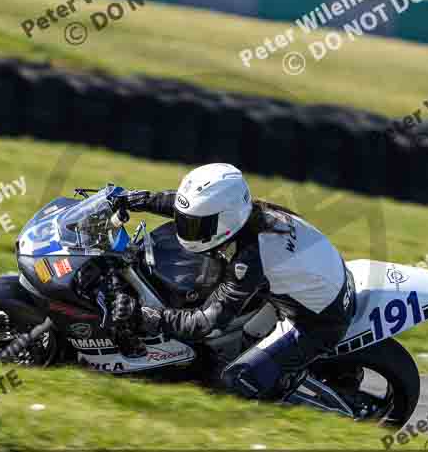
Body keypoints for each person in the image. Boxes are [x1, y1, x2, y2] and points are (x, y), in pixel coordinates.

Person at [112, 163, 356, 400]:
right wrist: (142, 200)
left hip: (318, 322)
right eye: (186, 221)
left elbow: (206, 322)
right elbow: (194, 212)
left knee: (232, 383)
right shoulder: (248, 215)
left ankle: (284, 387)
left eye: (194, 226)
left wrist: (149, 317)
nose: (186, 229)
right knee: (237, 338)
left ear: (226, 220)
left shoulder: (250, 259)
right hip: (317, 282)